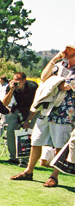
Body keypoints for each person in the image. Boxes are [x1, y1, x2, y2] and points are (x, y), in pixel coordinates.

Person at [10, 41, 75, 187]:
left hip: (64, 112)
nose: (65, 49)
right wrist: (54, 60)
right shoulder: (60, 65)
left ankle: (54, 176)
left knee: (59, 144)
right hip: (47, 109)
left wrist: (54, 81)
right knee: (36, 140)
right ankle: (29, 171)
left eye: (69, 48)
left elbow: (66, 86)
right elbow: (44, 77)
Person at [0, 72, 38, 164]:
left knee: (27, 133)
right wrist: (11, 91)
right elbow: (4, 103)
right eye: (14, 80)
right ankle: (13, 157)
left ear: (24, 80)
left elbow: (37, 104)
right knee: (10, 131)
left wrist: (28, 120)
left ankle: (25, 160)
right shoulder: (11, 87)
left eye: (18, 80)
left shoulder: (33, 87)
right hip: (17, 108)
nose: (16, 82)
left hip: (31, 110)